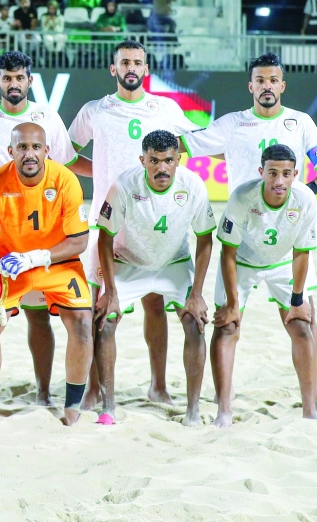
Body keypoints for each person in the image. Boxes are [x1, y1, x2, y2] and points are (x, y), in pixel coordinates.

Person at [67, 40, 199, 411]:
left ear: (146, 69)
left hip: (153, 222)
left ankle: (158, 386)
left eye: (137, 62)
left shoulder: (165, 109)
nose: (131, 67)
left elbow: (195, 145)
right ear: (114, 69)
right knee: (100, 306)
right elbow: (66, 155)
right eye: (124, 62)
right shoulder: (95, 110)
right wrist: (100, 173)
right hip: (108, 222)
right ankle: (93, 390)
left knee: (154, 303)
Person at [0, 51, 79, 407]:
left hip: (38, 233)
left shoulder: (47, 117)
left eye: (20, 77)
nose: (14, 83)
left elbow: (64, 164)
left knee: (38, 317)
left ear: (29, 80)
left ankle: (43, 392)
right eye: (7, 78)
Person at [0, 122, 92, 429]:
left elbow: (79, 241)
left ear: (47, 150)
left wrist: (36, 257)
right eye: (22, 147)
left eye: (36, 147)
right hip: (7, 264)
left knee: (82, 323)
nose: (29, 154)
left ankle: (72, 406)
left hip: (56, 262)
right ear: (10, 151)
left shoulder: (65, 180)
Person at [92, 130, 215, 426]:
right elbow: (104, 237)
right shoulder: (124, 185)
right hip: (129, 262)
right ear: (142, 160)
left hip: (174, 263)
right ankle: (108, 406)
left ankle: (192, 411)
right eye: (154, 160)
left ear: (178, 159)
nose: (162, 168)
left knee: (195, 324)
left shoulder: (193, 186)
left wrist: (197, 294)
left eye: (168, 160)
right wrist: (110, 292)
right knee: (105, 322)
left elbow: (205, 239)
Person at [211, 144, 317, 427]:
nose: (279, 180)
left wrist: (297, 300)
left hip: (283, 262)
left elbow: (302, 253)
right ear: (261, 172)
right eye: (272, 173)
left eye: (286, 173)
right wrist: (233, 304)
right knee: (226, 327)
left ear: (295, 174)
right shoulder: (242, 197)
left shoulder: (305, 199)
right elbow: (227, 252)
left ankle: (310, 411)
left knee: (302, 327)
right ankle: (224, 410)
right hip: (242, 262)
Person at [180, 51, 317, 198]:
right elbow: (181, 144)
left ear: (282, 86)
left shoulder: (302, 122)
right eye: (260, 80)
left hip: (287, 216)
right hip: (244, 215)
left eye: (273, 80)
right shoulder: (232, 124)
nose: (267, 86)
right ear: (251, 87)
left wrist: (304, 193)